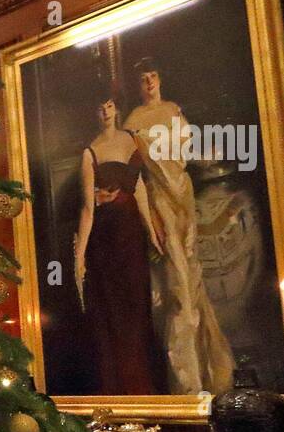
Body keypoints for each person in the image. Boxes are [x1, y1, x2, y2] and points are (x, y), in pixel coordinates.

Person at [124, 57, 234, 394]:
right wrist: (150, 218)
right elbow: (137, 176)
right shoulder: (135, 120)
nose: (150, 82)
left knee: (193, 277)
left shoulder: (174, 110)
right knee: (178, 287)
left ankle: (207, 372)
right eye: (143, 78)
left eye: (154, 75)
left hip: (182, 194)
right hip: (159, 199)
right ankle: (187, 385)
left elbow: (185, 153)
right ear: (138, 84)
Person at [74, 91, 163, 393]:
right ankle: (123, 390)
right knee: (114, 316)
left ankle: (145, 388)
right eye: (100, 106)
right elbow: (88, 208)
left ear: (116, 108)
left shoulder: (131, 140)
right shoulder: (90, 152)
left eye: (109, 105)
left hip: (131, 237)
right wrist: (80, 256)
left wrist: (151, 231)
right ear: (94, 112)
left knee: (138, 310)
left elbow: (139, 188)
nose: (105, 111)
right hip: (106, 240)